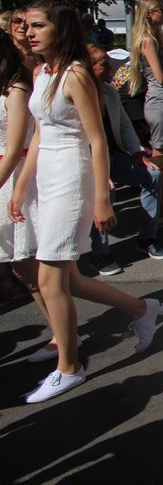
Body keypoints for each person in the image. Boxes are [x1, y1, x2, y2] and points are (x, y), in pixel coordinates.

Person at [10, 0, 159, 403]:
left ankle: (69, 366)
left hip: (73, 179)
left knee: (49, 277)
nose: (31, 32)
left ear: (60, 29)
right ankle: (141, 309)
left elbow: (96, 139)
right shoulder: (43, 71)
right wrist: (22, 185)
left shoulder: (75, 74)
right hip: (47, 175)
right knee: (68, 278)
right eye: (28, 26)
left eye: (39, 25)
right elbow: (40, 134)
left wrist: (101, 199)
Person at [86, 29, 163, 270]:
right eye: (104, 65)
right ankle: (101, 252)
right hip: (87, 161)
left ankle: (147, 238)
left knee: (152, 175)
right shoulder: (77, 93)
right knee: (103, 194)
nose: (110, 70)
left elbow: (124, 126)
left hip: (115, 156)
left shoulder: (109, 92)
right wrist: (99, 175)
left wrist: (138, 153)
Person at [0, 30, 47, 352]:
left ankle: (63, 331)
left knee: (28, 263)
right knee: (22, 265)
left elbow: (16, 147)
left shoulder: (16, 89)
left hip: (14, 177)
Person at [128, 0, 163, 203]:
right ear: (149, 13)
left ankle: (159, 201)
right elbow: (160, 77)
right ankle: (154, 203)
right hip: (159, 102)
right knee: (161, 156)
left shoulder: (155, 38)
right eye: (161, 9)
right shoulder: (148, 41)